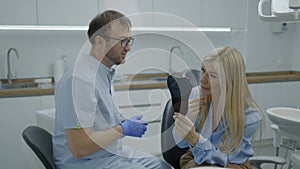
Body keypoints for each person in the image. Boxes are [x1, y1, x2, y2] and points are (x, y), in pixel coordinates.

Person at [53, 10, 172, 169]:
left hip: (110, 153)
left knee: (162, 166)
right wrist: (123, 129)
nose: (128, 48)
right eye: (123, 41)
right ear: (99, 41)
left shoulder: (102, 74)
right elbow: (80, 147)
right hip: (85, 162)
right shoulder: (80, 80)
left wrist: (120, 124)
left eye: (130, 41)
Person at [172, 46, 263, 169]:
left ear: (229, 80)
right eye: (203, 70)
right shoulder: (197, 94)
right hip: (197, 158)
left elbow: (225, 160)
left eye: (212, 75)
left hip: (232, 164)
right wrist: (188, 119)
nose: (202, 79)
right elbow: (180, 144)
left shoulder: (250, 116)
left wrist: (195, 140)